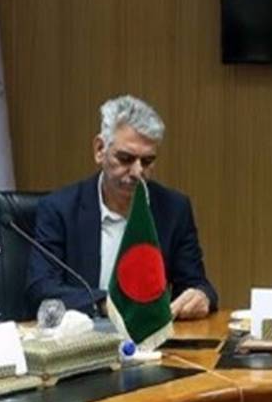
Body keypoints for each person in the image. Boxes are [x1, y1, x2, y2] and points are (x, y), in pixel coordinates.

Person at [25, 95, 217, 320]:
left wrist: (202, 296)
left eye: (147, 161)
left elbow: (196, 283)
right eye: (125, 158)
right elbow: (41, 290)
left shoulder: (173, 209)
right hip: (84, 334)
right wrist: (105, 304)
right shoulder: (60, 209)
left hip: (150, 337)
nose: (137, 172)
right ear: (100, 150)